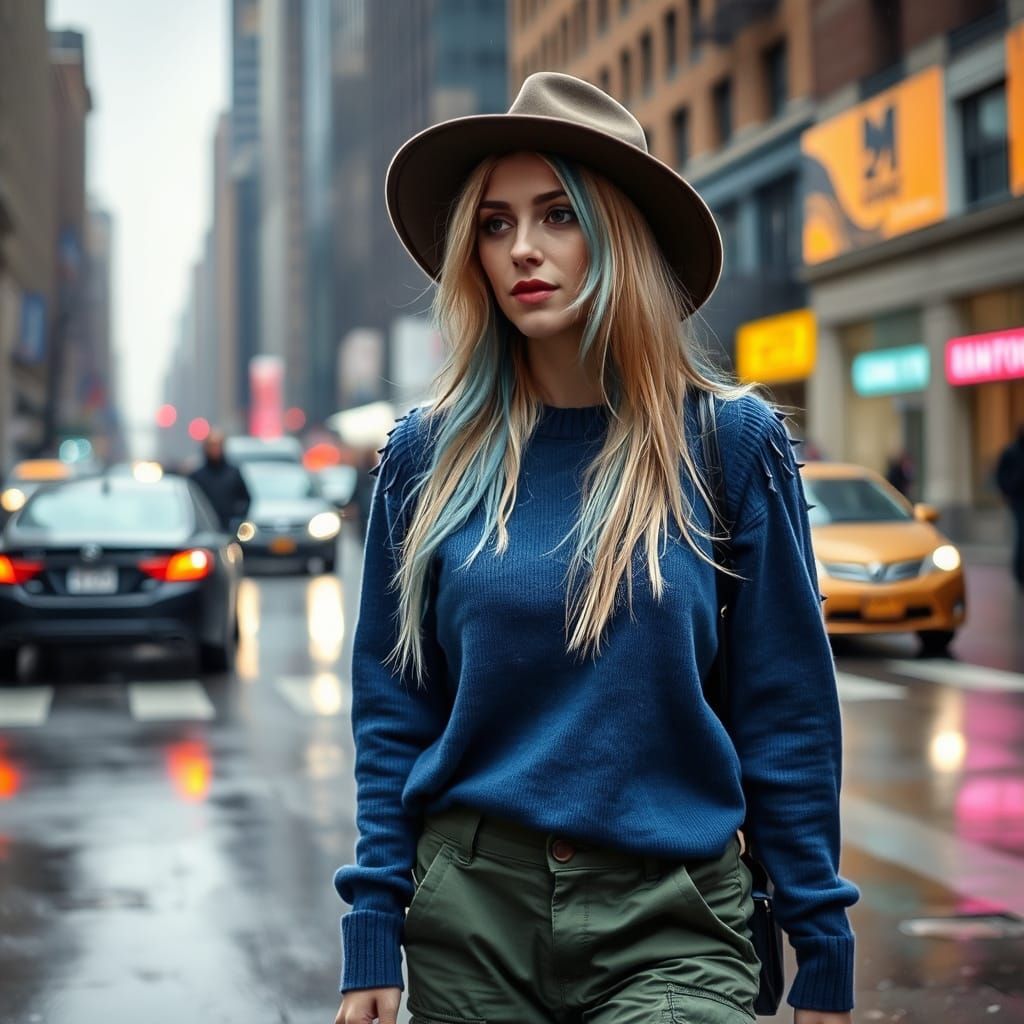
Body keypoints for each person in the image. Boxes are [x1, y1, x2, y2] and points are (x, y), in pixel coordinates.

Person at [334, 73, 858, 1024]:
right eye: (494, 224)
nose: (522, 249)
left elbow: (787, 710)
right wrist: (373, 922)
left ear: (617, 234)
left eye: (557, 215)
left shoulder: (729, 445)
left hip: (674, 915)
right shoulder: (426, 454)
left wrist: (820, 937)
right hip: (472, 921)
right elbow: (393, 706)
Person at [188, 429, 251, 532]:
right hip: (204, 529)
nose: (214, 449)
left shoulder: (233, 473)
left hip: (228, 528)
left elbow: (246, 500)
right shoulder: (197, 476)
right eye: (211, 445)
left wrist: (236, 516)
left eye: (217, 445)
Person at [996, 426, 1024, 586]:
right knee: (1021, 537)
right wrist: (1008, 491)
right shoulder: (1011, 452)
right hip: (1018, 500)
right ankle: (1019, 572)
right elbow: (1000, 475)